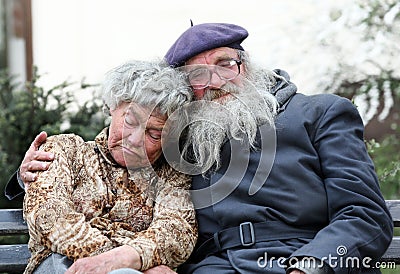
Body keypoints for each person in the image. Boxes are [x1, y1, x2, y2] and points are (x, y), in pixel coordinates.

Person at [6, 23, 393, 274]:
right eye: (198, 75)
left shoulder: (320, 112)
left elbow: (364, 215)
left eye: (226, 63)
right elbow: (116, 157)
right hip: (215, 267)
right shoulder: (180, 139)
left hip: (304, 257)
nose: (216, 81)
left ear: (247, 65)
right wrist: (30, 175)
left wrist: (307, 267)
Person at [19, 60, 197, 274]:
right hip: (62, 265)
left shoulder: (170, 174)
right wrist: (129, 262)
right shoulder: (66, 150)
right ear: (113, 107)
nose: (136, 139)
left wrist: (128, 264)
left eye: (154, 134)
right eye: (131, 121)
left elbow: (176, 231)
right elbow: (49, 217)